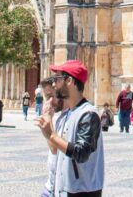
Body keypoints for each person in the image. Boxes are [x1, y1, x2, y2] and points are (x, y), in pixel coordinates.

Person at [36, 60, 104, 197]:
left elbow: (82, 152)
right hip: (66, 189)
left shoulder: (89, 114)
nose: (54, 84)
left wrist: (52, 136)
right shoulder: (69, 114)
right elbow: (57, 150)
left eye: (57, 79)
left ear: (69, 81)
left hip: (83, 191)